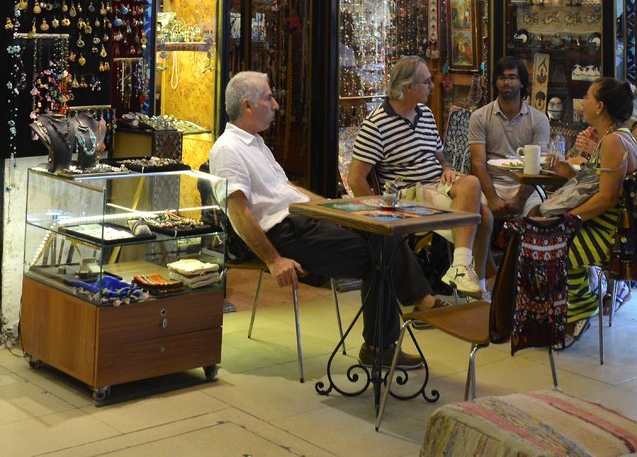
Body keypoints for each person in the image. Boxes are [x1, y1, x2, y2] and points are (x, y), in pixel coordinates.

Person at [209, 71, 447, 368]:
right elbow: (237, 213)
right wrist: (274, 260)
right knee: (382, 256)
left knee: (383, 232)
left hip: (304, 220)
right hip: (284, 233)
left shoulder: (256, 143)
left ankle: (391, 334)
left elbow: (288, 190)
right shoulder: (228, 149)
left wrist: (337, 209)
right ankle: (401, 324)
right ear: (247, 105)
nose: (276, 105)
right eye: (269, 99)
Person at [345, 55, 493, 298]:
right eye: (426, 82)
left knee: (472, 183)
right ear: (408, 87)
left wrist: (447, 168)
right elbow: (355, 179)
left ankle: (464, 272)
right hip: (410, 194)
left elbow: (440, 157)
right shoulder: (376, 124)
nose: (432, 87)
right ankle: (475, 285)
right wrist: (380, 216)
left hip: (436, 184)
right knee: (483, 216)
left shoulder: (425, 113)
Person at [548, 76, 637, 346]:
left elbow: (607, 198)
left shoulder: (614, 141)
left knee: (556, 246)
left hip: (614, 233)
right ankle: (569, 308)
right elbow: (597, 184)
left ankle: (581, 311)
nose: (584, 102)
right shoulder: (612, 136)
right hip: (606, 225)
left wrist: (570, 218)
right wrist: (569, 172)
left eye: (588, 97)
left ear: (600, 106)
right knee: (547, 233)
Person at [468, 56, 552, 219]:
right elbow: (477, 163)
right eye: (502, 77)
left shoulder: (539, 119)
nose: (506, 82)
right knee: (479, 213)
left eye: (512, 77)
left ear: (522, 82)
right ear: (496, 82)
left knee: (539, 215)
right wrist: (492, 198)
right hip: (491, 184)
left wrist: (520, 199)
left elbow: (540, 165)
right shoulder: (479, 117)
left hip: (527, 186)